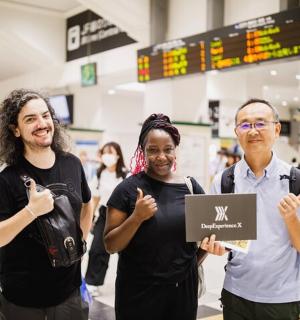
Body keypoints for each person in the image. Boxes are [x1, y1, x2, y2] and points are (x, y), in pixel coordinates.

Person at [103, 113, 221, 320]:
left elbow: (207, 235)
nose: (161, 156)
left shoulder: (190, 187)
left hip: (182, 293)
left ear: (175, 150)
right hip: (138, 293)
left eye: (168, 149)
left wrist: (193, 263)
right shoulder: (127, 190)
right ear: (142, 151)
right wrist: (137, 217)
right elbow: (110, 245)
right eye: (153, 150)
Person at [0, 89, 93, 320]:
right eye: (30, 119)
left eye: (45, 115)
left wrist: (80, 239)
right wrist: (31, 211)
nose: (41, 124)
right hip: (23, 301)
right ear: (16, 130)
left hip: (70, 294)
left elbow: (87, 203)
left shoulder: (72, 163)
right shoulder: (7, 179)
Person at [203, 98, 300, 320]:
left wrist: (291, 218)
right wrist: (216, 245)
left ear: (276, 129)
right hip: (236, 294)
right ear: (237, 132)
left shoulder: (295, 181)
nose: (252, 130)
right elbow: (226, 237)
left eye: (260, 123)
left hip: (282, 297)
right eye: (245, 125)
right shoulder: (225, 180)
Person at [85, 142, 127, 296]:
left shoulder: (125, 174)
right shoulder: (99, 173)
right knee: (97, 249)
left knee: (126, 250)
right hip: (104, 213)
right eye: (105, 152)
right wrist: (90, 219)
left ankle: (129, 282)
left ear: (118, 155)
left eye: (111, 152)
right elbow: (95, 198)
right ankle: (92, 282)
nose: (107, 155)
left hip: (123, 214)